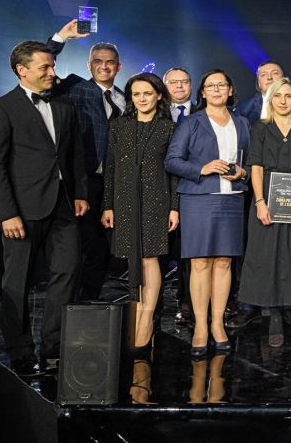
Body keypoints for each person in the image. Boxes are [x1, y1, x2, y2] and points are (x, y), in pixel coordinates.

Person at [0, 41, 88, 376]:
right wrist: (6, 213)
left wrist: (80, 194)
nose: (52, 72)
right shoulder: (1, 108)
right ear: (21, 70)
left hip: (64, 206)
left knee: (67, 275)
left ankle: (54, 349)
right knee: (18, 283)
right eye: (45, 67)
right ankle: (20, 351)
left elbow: (75, 155)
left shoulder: (65, 106)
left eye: (53, 66)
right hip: (22, 211)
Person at [165, 69, 250, 357]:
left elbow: (252, 162)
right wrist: (201, 168)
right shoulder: (190, 122)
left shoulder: (242, 122)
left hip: (232, 199)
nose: (216, 89)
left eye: (221, 85)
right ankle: (201, 326)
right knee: (200, 263)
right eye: (210, 85)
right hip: (198, 199)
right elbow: (172, 161)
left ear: (230, 90)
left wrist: (243, 172)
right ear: (202, 92)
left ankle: (218, 324)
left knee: (224, 263)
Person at [238, 77, 291, 348]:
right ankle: (273, 315)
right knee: (268, 257)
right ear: (270, 99)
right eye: (278, 96)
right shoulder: (260, 129)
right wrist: (260, 202)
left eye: (289, 96)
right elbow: (256, 168)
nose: (283, 101)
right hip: (267, 202)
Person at [46, 20, 125, 300]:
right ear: (89, 65)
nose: (104, 66)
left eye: (110, 62)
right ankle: (73, 304)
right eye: (98, 61)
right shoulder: (74, 88)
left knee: (104, 249)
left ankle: (89, 302)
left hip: (116, 184)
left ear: (119, 67)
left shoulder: (127, 99)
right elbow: (41, 64)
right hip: (83, 182)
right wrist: (61, 37)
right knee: (81, 246)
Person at [101, 73, 179, 351]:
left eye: (147, 93)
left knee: (149, 258)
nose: (142, 99)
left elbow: (174, 173)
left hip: (157, 199)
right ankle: (136, 313)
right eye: (136, 94)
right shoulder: (119, 126)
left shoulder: (169, 128)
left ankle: (146, 318)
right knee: (131, 259)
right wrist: (107, 205)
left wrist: (174, 208)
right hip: (124, 200)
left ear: (158, 95)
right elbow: (110, 167)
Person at [164, 67, 194, 326]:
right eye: (173, 82)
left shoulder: (204, 112)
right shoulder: (157, 113)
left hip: (194, 188)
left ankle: (187, 301)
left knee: (189, 250)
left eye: (184, 81)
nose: (179, 86)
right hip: (162, 189)